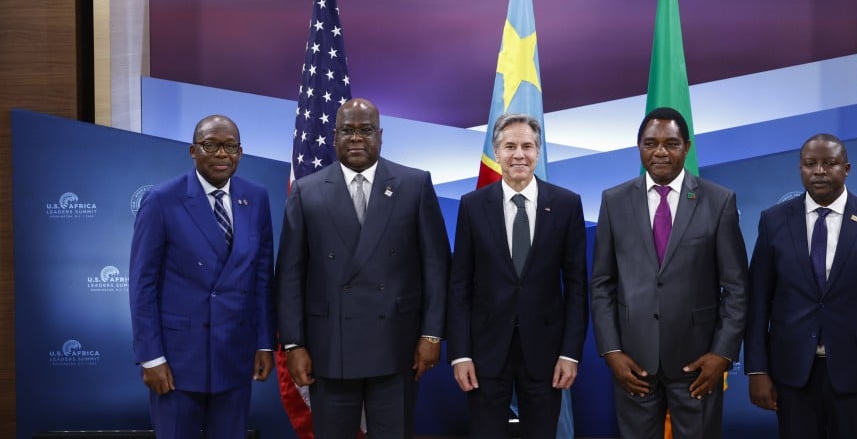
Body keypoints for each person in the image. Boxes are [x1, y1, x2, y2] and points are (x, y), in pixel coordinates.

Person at [275, 98, 450, 439]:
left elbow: (437, 267)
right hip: (330, 349)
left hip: (397, 345)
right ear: (334, 135)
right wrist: (294, 345)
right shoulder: (307, 191)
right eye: (347, 130)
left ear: (380, 135)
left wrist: (431, 335)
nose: (356, 138)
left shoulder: (413, 185)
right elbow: (290, 277)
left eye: (365, 130)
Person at [744, 133, 857, 439]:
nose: (819, 171)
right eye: (810, 164)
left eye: (829, 163)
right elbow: (758, 302)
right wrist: (757, 369)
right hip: (793, 375)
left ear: (847, 168)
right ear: (800, 169)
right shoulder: (773, 221)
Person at [590, 107, 748, 439]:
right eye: (651, 143)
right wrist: (611, 351)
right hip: (633, 363)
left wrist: (722, 353)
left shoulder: (718, 201)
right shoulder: (614, 201)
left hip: (698, 363)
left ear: (686, 147)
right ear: (639, 148)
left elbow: (736, 287)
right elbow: (602, 284)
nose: (660, 152)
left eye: (671, 143)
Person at [129, 114, 276, 439]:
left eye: (230, 146)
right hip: (178, 360)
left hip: (234, 355)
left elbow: (262, 278)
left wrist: (264, 342)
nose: (222, 154)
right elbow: (143, 285)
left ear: (240, 152)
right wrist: (150, 357)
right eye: (211, 145)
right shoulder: (162, 200)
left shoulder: (256, 197)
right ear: (193, 150)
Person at [447, 113, 588, 438]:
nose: (519, 154)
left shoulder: (567, 205)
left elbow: (578, 287)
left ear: (538, 152)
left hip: (546, 354)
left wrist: (569, 353)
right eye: (510, 146)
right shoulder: (473, 205)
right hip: (485, 354)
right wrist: (461, 354)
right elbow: (459, 286)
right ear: (497, 153)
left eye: (527, 146)